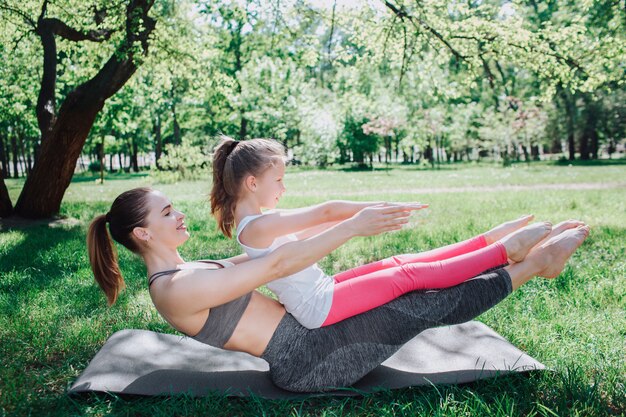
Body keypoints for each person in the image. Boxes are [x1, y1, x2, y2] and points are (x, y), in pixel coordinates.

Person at [87, 187, 589, 392]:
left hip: (312, 333)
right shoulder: (175, 290)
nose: (180, 214)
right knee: (414, 304)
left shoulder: (191, 269)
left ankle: (489, 245)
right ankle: (533, 266)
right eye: (167, 212)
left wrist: (335, 219)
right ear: (142, 234)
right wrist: (351, 227)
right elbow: (278, 264)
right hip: (309, 361)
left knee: (389, 272)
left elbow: (276, 251)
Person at [209, 137, 554, 328]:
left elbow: (318, 224)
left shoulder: (261, 222)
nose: (283, 187)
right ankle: (504, 252)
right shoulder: (258, 226)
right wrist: (373, 208)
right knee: (407, 276)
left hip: (323, 290)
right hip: (318, 306)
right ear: (253, 183)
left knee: (398, 262)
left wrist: (376, 208)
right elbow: (326, 211)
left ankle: (487, 241)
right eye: (279, 179)